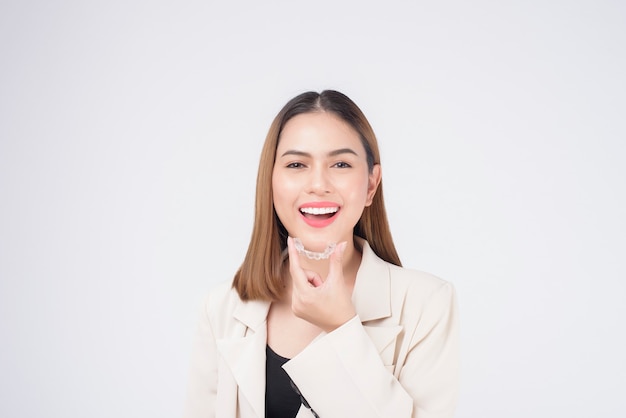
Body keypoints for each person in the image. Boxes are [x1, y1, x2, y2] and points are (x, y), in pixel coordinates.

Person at [183, 90, 460, 418]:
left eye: (341, 164)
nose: (318, 184)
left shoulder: (427, 304)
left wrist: (342, 328)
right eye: (296, 164)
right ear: (270, 182)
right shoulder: (222, 309)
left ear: (371, 185)